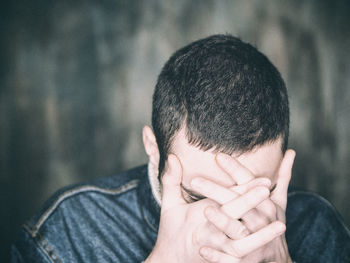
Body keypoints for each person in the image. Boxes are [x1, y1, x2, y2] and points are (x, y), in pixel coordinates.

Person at [12, 34, 350, 262]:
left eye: (256, 195)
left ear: (282, 169)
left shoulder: (320, 228)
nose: (228, 223)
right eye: (198, 196)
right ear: (153, 149)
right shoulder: (69, 230)